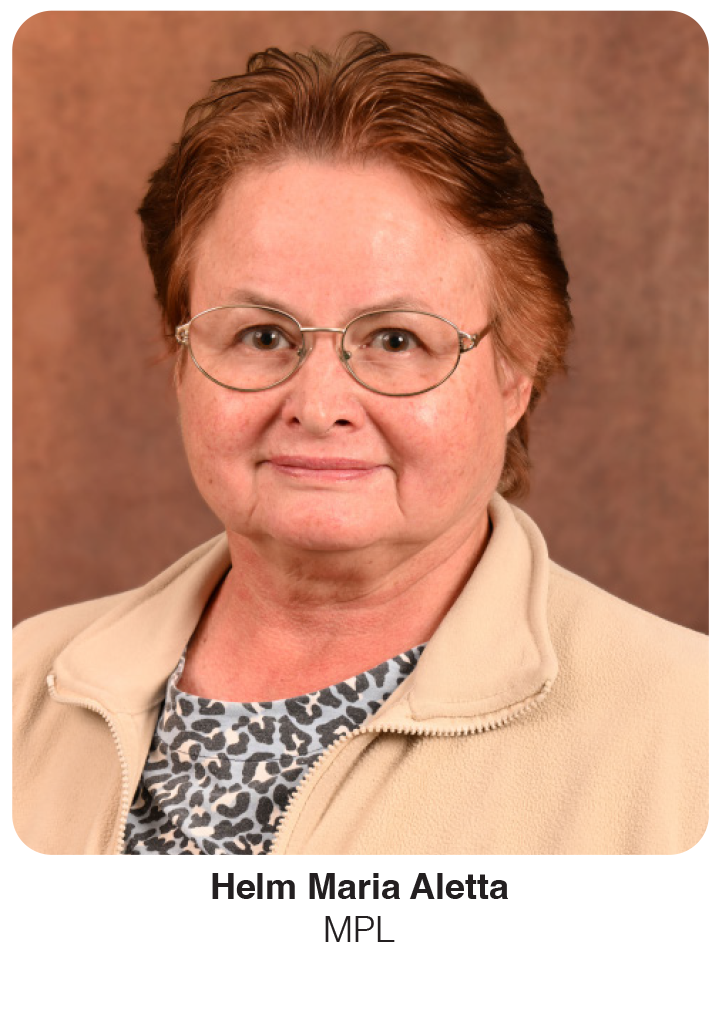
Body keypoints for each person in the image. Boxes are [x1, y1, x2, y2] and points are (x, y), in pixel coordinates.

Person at [12, 33, 707, 856]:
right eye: (262, 335)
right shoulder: (21, 685)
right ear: (183, 361)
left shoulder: (690, 730)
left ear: (517, 374)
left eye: (397, 340)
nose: (319, 406)